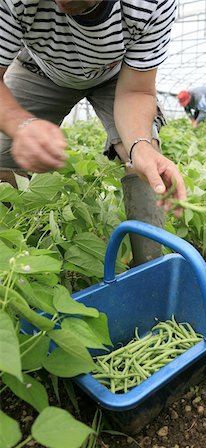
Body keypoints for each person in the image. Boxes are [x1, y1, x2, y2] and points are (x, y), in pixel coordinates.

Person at [0, 0, 186, 266]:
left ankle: (148, 268)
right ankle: (13, 262)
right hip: (40, 69)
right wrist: (20, 124)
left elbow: (136, 90)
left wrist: (140, 146)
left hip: (119, 76)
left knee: (145, 164)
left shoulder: (150, 4)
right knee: (4, 161)